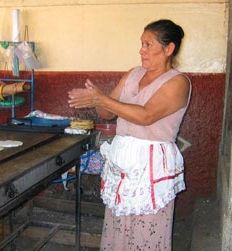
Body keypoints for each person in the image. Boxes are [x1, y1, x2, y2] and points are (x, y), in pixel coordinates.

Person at [68, 19, 191, 250]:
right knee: (119, 225)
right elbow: (106, 113)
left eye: (148, 44)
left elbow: (146, 116)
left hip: (151, 166)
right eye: (141, 44)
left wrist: (102, 99)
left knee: (146, 230)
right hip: (123, 164)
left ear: (169, 49)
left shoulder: (178, 82)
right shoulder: (133, 74)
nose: (141, 50)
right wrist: (96, 98)